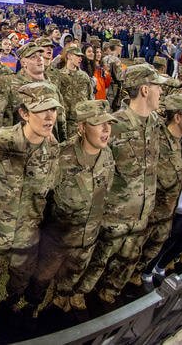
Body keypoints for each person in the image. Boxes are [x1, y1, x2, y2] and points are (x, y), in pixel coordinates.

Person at [0, 82, 61, 323]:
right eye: (42, 111)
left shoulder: (52, 149)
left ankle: (10, 302)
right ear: (24, 114)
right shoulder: (2, 139)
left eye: (54, 110)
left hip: (27, 232)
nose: (50, 117)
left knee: (21, 276)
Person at [75, 64, 166, 303]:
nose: (161, 93)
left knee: (126, 264)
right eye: (158, 87)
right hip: (112, 217)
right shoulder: (114, 125)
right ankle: (72, 302)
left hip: (142, 213)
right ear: (145, 90)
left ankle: (108, 298)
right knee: (95, 266)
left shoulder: (155, 122)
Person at [33, 100, 116, 312]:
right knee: (40, 280)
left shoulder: (107, 155)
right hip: (57, 239)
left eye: (109, 123)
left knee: (73, 274)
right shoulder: (62, 157)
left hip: (87, 237)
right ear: (81, 128)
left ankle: (61, 299)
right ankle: (30, 307)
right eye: (99, 124)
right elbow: (40, 197)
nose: (107, 130)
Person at [137, 94, 182, 284]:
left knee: (153, 252)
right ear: (177, 117)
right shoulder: (157, 140)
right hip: (149, 215)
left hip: (169, 213)